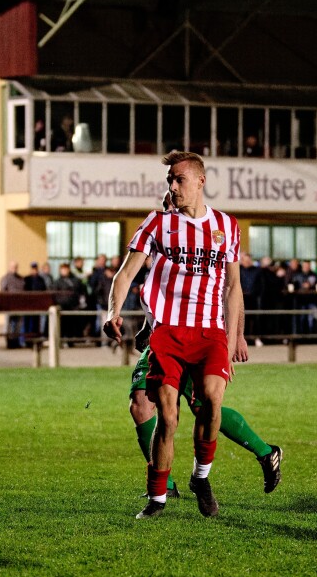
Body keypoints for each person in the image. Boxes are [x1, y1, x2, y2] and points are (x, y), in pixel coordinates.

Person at [104, 151, 243, 520]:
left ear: (201, 181)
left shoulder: (227, 227)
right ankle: (157, 498)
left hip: (211, 331)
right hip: (167, 331)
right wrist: (112, 312)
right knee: (167, 416)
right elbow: (126, 273)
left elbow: (233, 287)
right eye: (169, 180)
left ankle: (201, 478)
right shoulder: (158, 223)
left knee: (212, 401)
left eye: (179, 179)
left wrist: (234, 339)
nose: (172, 186)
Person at [129, 318, 281, 499]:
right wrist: (148, 326)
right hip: (163, 339)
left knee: (204, 409)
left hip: (199, 338)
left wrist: (236, 337)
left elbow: (233, 293)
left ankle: (265, 452)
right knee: (140, 405)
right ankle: (164, 485)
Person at [52, 262, 84, 344]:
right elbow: (54, 294)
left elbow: (80, 291)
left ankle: (70, 341)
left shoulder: (75, 280)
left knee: (71, 324)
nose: (64, 271)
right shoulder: (57, 282)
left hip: (73, 306)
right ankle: (61, 341)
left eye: (66, 269)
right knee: (62, 325)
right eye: (62, 269)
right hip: (62, 306)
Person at [0, 261, 25, 348]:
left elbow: (23, 289)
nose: (14, 269)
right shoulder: (6, 278)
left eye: (16, 267)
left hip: (19, 305)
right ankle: (9, 342)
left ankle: (16, 341)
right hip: (9, 305)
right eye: (13, 267)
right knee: (9, 324)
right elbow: (3, 290)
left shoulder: (20, 279)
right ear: (9, 267)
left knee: (18, 324)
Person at [239, 253, 263, 340]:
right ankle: (243, 338)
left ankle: (255, 337)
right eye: (245, 260)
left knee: (254, 318)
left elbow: (260, 285)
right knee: (242, 319)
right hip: (241, 298)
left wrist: (256, 293)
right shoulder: (238, 270)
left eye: (248, 260)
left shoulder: (257, 271)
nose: (247, 262)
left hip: (253, 298)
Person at [22, 262, 46, 339]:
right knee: (27, 322)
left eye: (35, 269)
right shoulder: (26, 279)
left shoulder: (40, 279)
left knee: (36, 323)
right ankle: (26, 338)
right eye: (32, 269)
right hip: (27, 304)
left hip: (37, 304)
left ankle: (35, 338)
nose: (34, 271)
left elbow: (43, 290)